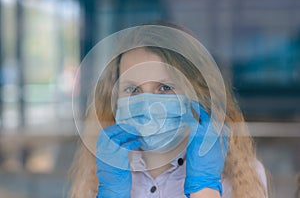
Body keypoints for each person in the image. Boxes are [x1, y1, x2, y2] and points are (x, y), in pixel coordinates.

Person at [69, 23, 268, 198]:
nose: (147, 104)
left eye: (164, 87)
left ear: (197, 92)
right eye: (133, 89)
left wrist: (204, 190)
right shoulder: (100, 176)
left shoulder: (241, 175)